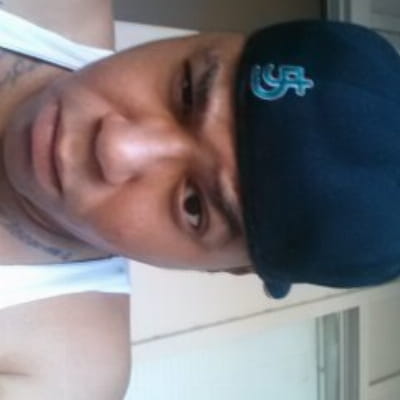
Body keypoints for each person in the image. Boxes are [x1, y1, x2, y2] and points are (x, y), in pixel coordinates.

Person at [1, 0, 400, 398]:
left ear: (229, 268)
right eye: (188, 91)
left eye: (194, 206)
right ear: (204, 39)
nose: (116, 147)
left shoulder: (57, 376)